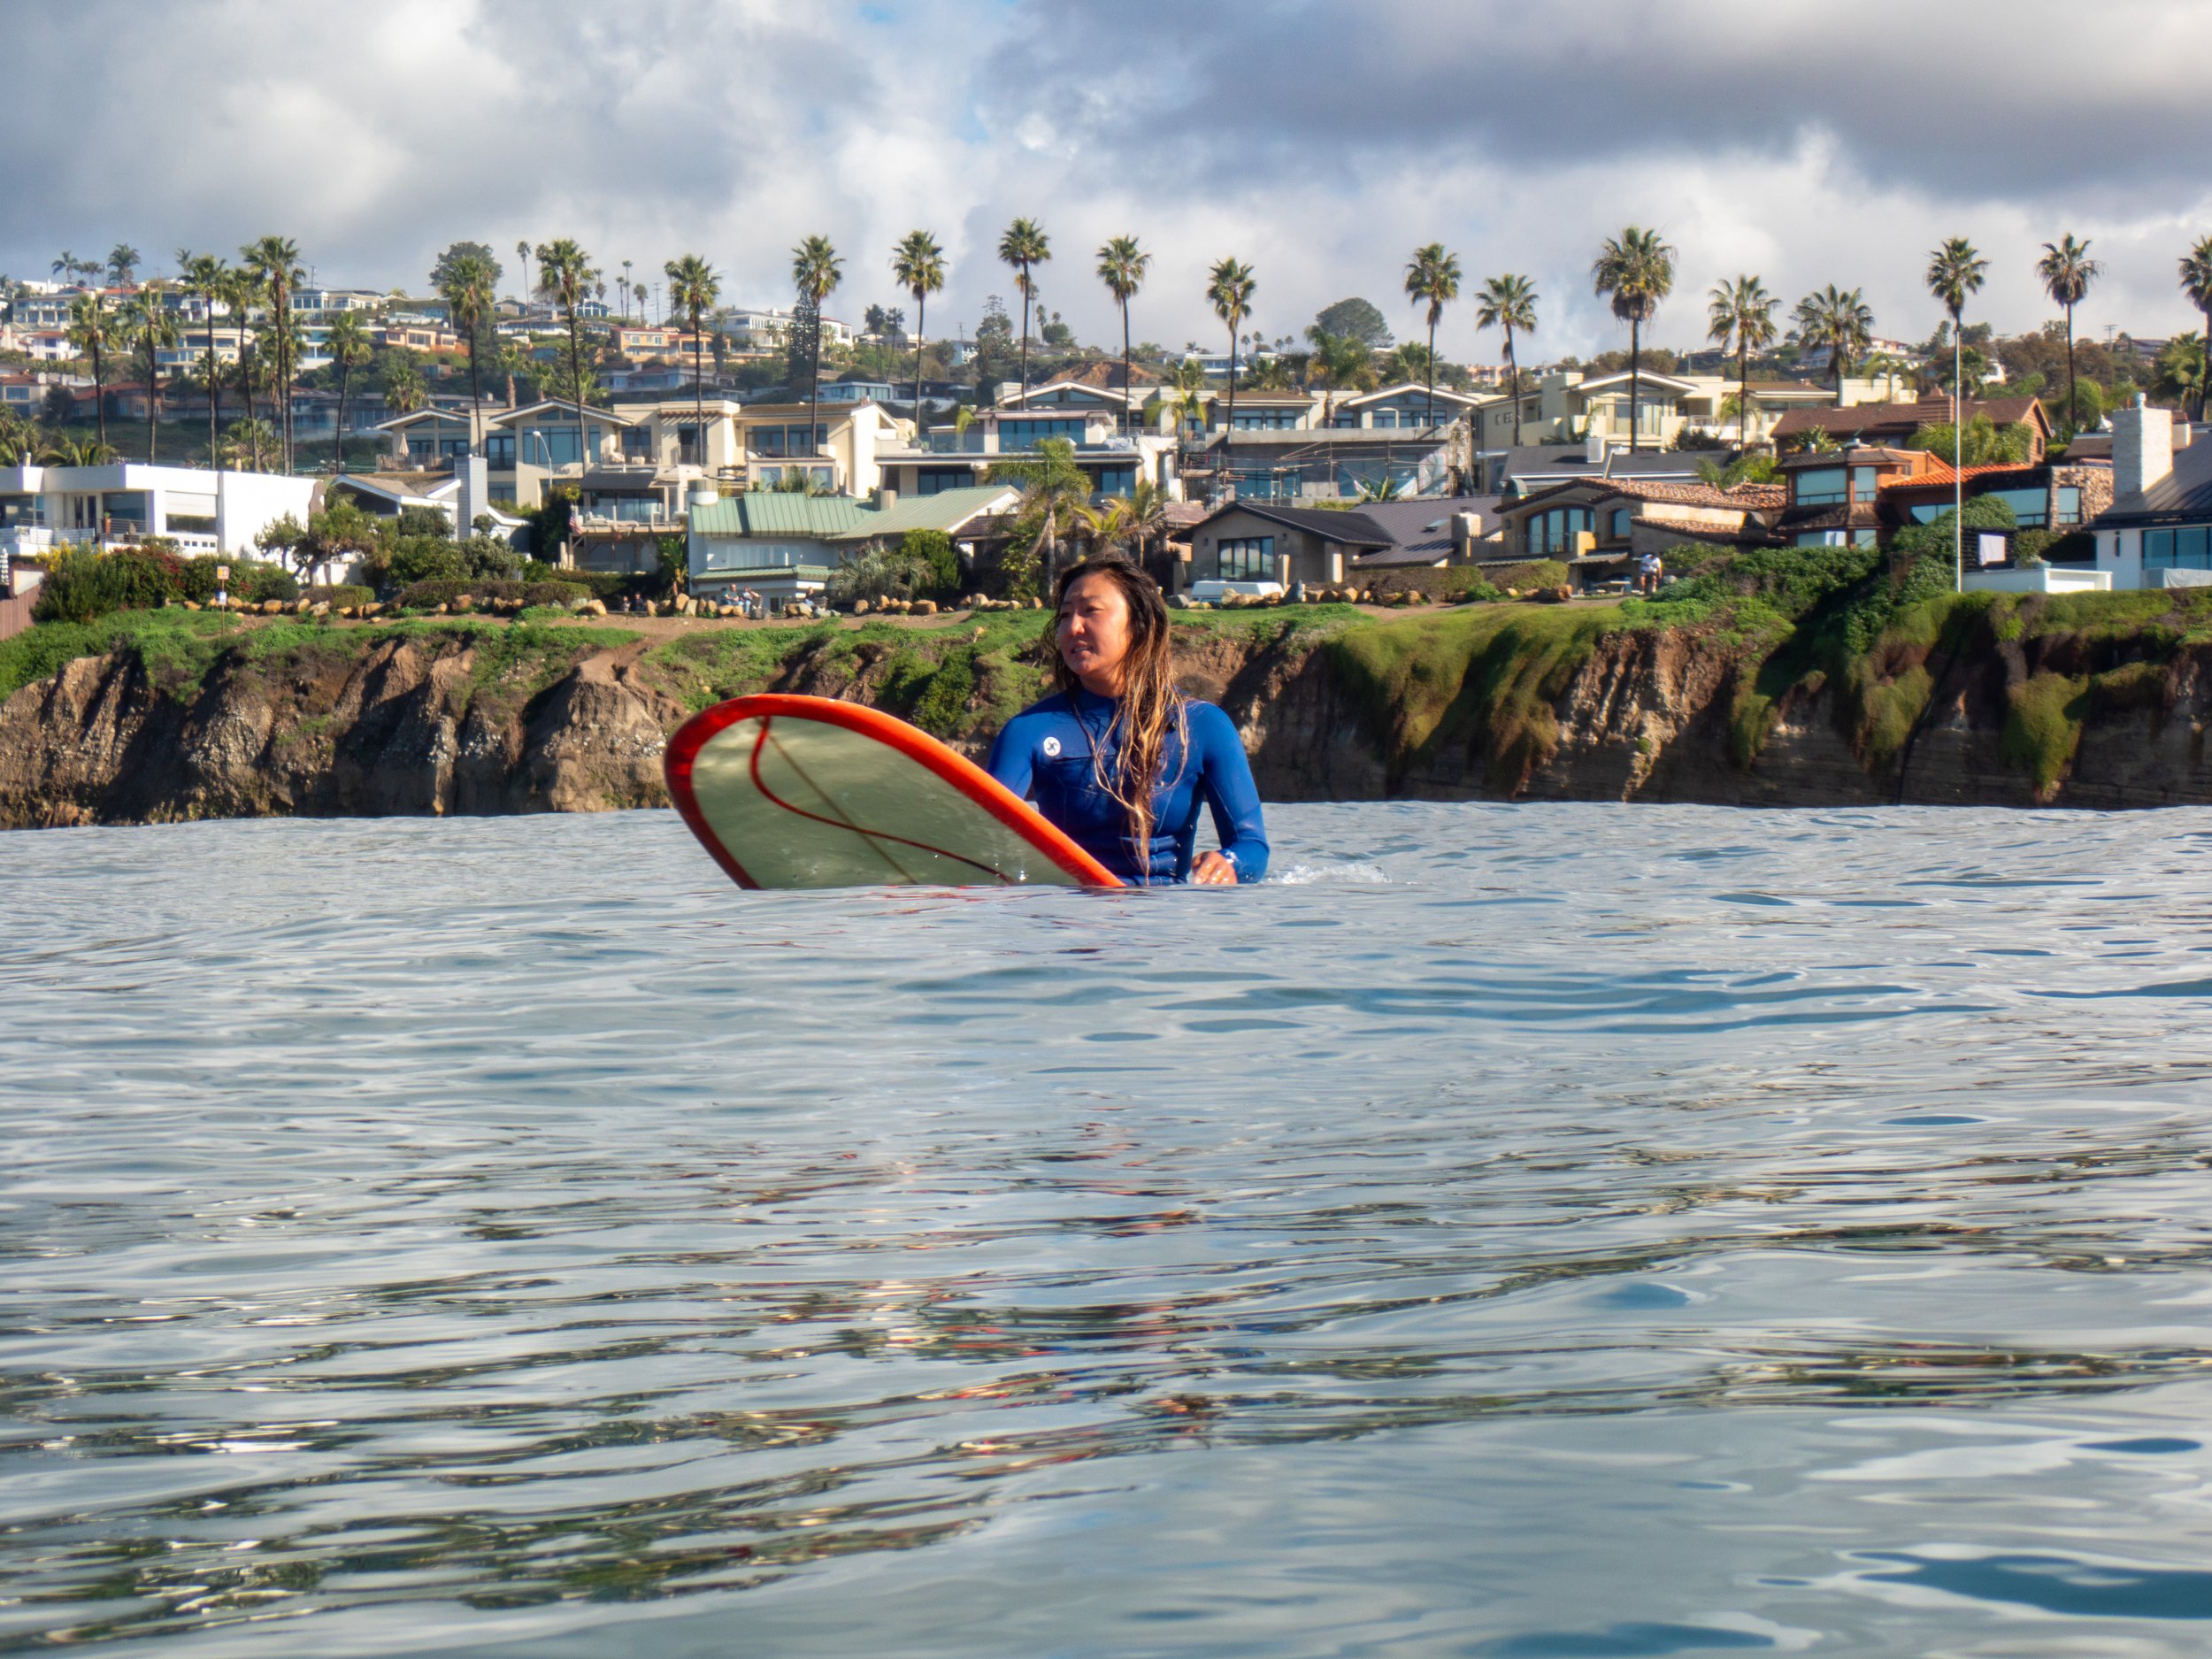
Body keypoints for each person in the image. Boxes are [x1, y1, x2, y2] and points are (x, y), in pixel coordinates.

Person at [987, 557, 1268, 887]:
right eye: (1065, 615)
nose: (1073, 627)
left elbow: (1252, 847)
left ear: (1140, 623)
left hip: (1162, 917)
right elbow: (984, 840)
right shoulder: (1030, 731)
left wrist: (1229, 863)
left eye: (1090, 611)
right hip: (1065, 919)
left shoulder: (1203, 725)